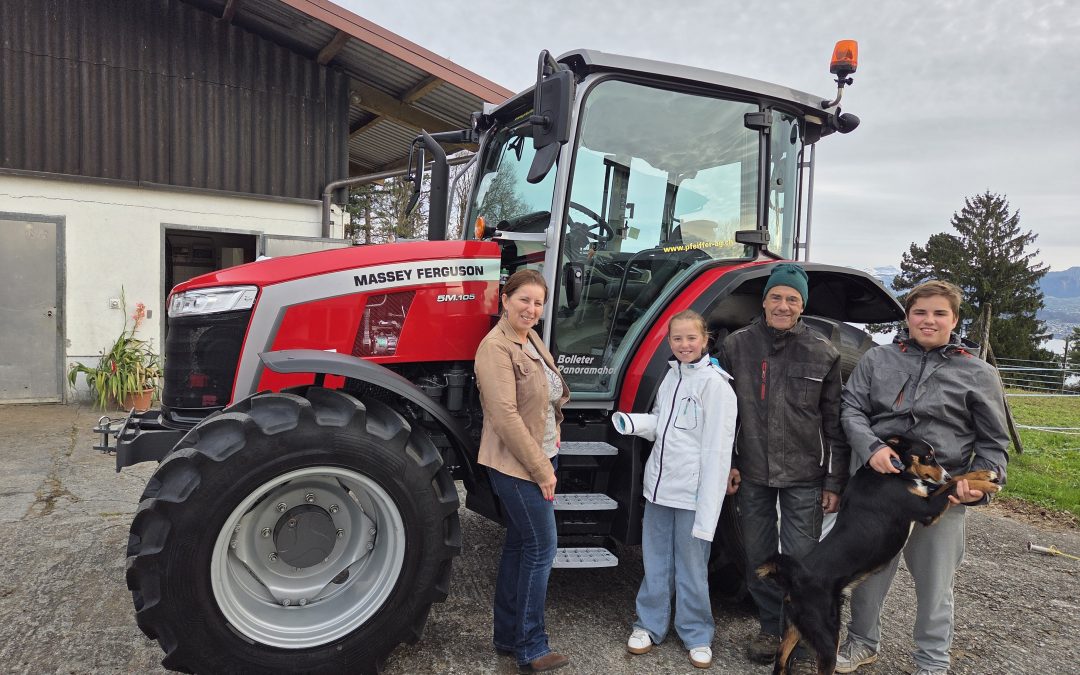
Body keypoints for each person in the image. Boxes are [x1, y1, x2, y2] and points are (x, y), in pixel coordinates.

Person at [835, 280, 1009, 675]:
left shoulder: (979, 373)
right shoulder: (877, 360)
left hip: (941, 491)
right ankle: (862, 643)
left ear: (954, 319)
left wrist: (977, 491)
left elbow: (993, 443)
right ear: (908, 317)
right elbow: (851, 409)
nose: (928, 320)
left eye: (939, 313)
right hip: (878, 486)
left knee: (935, 585)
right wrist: (871, 447)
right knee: (867, 572)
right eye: (920, 312)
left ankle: (931, 661)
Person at [717, 263, 850, 672]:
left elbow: (834, 425)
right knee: (760, 558)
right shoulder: (737, 347)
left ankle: (805, 633)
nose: (783, 305)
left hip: (804, 476)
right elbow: (723, 416)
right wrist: (730, 463)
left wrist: (834, 481)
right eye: (776, 296)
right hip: (752, 471)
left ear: (802, 305)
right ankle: (770, 629)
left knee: (802, 561)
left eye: (792, 299)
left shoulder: (823, 353)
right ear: (765, 300)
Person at [612, 309, 738, 669]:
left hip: (693, 495)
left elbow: (717, 450)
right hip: (659, 489)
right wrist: (633, 422)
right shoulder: (671, 378)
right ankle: (648, 626)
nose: (684, 345)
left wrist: (708, 505)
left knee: (692, 566)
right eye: (677, 339)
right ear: (669, 342)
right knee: (655, 562)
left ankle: (697, 633)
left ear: (705, 340)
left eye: (691, 338)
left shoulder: (716, 386)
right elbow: (663, 426)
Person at [474, 269, 571, 673]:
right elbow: (505, 417)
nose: (532, 309)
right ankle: (531, 648)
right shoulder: (495, 348)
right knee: (541, 549)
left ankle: (508, 636)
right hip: (518, 467)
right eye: (524, 300)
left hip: (541, 455)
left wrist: (555, 432)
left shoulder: (529, 337)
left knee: (519, 547)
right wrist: (541, 469)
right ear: (505, 300)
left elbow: (547, 395)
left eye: (538, 302)